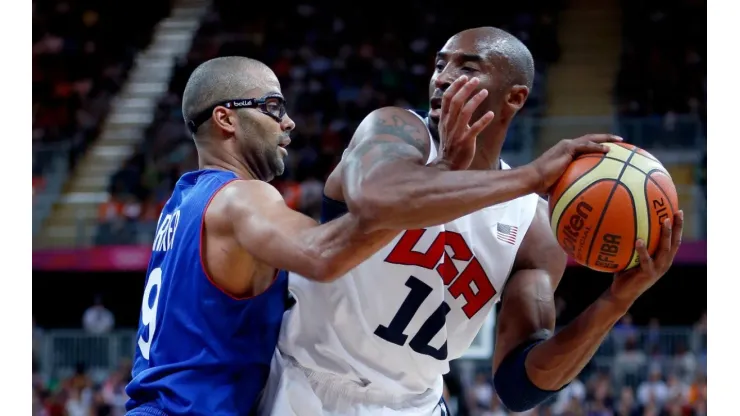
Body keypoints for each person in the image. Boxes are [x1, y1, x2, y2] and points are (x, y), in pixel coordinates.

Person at [261, 27, 683, 415]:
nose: (443, 77)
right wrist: (524, 177)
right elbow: (376, 202)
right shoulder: (396, 131)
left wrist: (616, 302)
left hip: (414, 403)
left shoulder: (533, 228)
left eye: (467, 67)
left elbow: (519, 386)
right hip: (306, 383)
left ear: (514, 98)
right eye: (440, 64)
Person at [124, 56, 412, 416]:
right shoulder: (240, 196)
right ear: (226, 118)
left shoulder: (181, 203)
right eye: (273, 107)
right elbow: (325, 254)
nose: (288, 122)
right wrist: (414, 195)